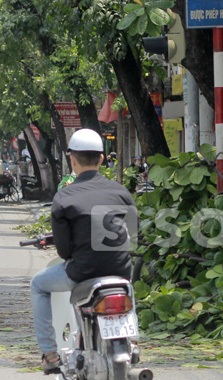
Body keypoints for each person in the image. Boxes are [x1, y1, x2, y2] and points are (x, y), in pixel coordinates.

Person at [30, 128, 136, 374]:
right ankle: (133, 342)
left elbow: (66, 252)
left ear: (72, 159)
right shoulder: (121, 192)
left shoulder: (64, 197)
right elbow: (133, 234)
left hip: (83, 272)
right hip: (121, 270)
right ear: (101, 158)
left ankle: (50, 354)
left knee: (38, 284)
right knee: (128, 283)